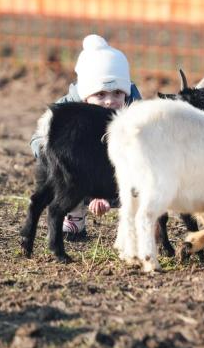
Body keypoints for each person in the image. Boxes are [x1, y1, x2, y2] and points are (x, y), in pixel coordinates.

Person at [29, 34, 141, 239]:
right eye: (100, 94)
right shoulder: (66, 111)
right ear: (85, 94)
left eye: (117, 93)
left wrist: (107, 192)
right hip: (79, 171)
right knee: (64, 170)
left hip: (116, 174)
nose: (110, 101)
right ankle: (74, 216)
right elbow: (38, 140)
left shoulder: (134, 110)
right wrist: (57, 159)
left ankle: (139, 225)